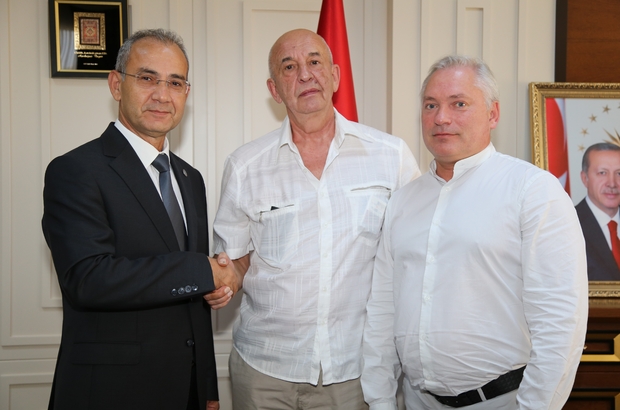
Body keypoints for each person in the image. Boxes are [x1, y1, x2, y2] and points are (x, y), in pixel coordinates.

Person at [205, 28, 420, 409]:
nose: (305, 74)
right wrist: (221, 281)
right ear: (274, 90)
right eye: (289, 67)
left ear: (334, 76)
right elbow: (234, 261)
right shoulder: (245, 166)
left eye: (315, 62)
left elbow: (417, 251)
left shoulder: (391, 156)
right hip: (264, 372)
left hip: (354, 373)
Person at [361, 55, 588, 410]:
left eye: (459, 104)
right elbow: (382, 312)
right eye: (431, 105)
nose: (441, 118)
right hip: (418, 402)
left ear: (493, 114)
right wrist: (380, 401)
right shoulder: (403, 201)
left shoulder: (532, 191)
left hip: (505, 401)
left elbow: (561, 321)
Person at [42, 28, 238, 410]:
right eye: (148, 78)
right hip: (110, 393)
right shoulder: (75, 170)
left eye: (175, 83)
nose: (162, 95)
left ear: (186, 93)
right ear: (116, 85)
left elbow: (192, 302)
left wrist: (207, 389)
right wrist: (203, 271)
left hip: (187, 393)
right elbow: (88, 279)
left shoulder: (191, 178)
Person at [576, 142, 620, 280]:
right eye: (602, 173)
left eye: (619, 173)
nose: (612, 183)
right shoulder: (569, 225)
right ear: (585, 178)